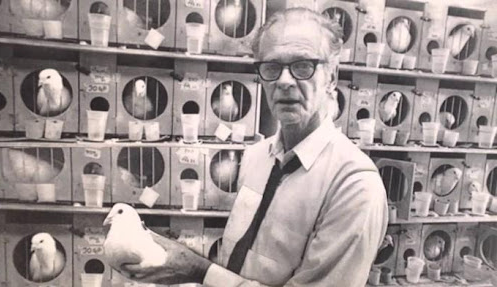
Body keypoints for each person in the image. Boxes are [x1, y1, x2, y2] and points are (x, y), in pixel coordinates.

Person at [120, 7, 388, 287]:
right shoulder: (255, 157)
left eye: (302, 66)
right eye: (272, 68)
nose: (284, 82)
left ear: (332, 77)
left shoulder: (354, 187)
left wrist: (198, 270)